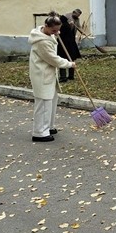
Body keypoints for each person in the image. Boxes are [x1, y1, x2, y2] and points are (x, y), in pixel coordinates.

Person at [28, 14, 76, 142]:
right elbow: (53, 59)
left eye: (58, 30)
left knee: (51, 101)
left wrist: (54, 34)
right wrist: (69, 64)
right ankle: (39, 132)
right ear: (46, 26)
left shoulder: (47, 34)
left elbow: (52, 41)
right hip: (42, 74)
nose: (56, 32)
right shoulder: (41, 42)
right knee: (44, 103)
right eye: (54, 30)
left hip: (49, 74)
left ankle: (48, 126)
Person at [57, 9, 82, 82]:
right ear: (73, 12)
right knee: (67, 59)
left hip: (70, 42)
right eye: (77, 15)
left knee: (67, 59)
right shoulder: (66, 17)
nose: (78, 17)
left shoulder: (76, 20)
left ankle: (68, 76)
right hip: (66, 43)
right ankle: (65, 77)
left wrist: (82, 31)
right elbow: (59, 31)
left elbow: (79, 27)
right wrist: (69, 25)